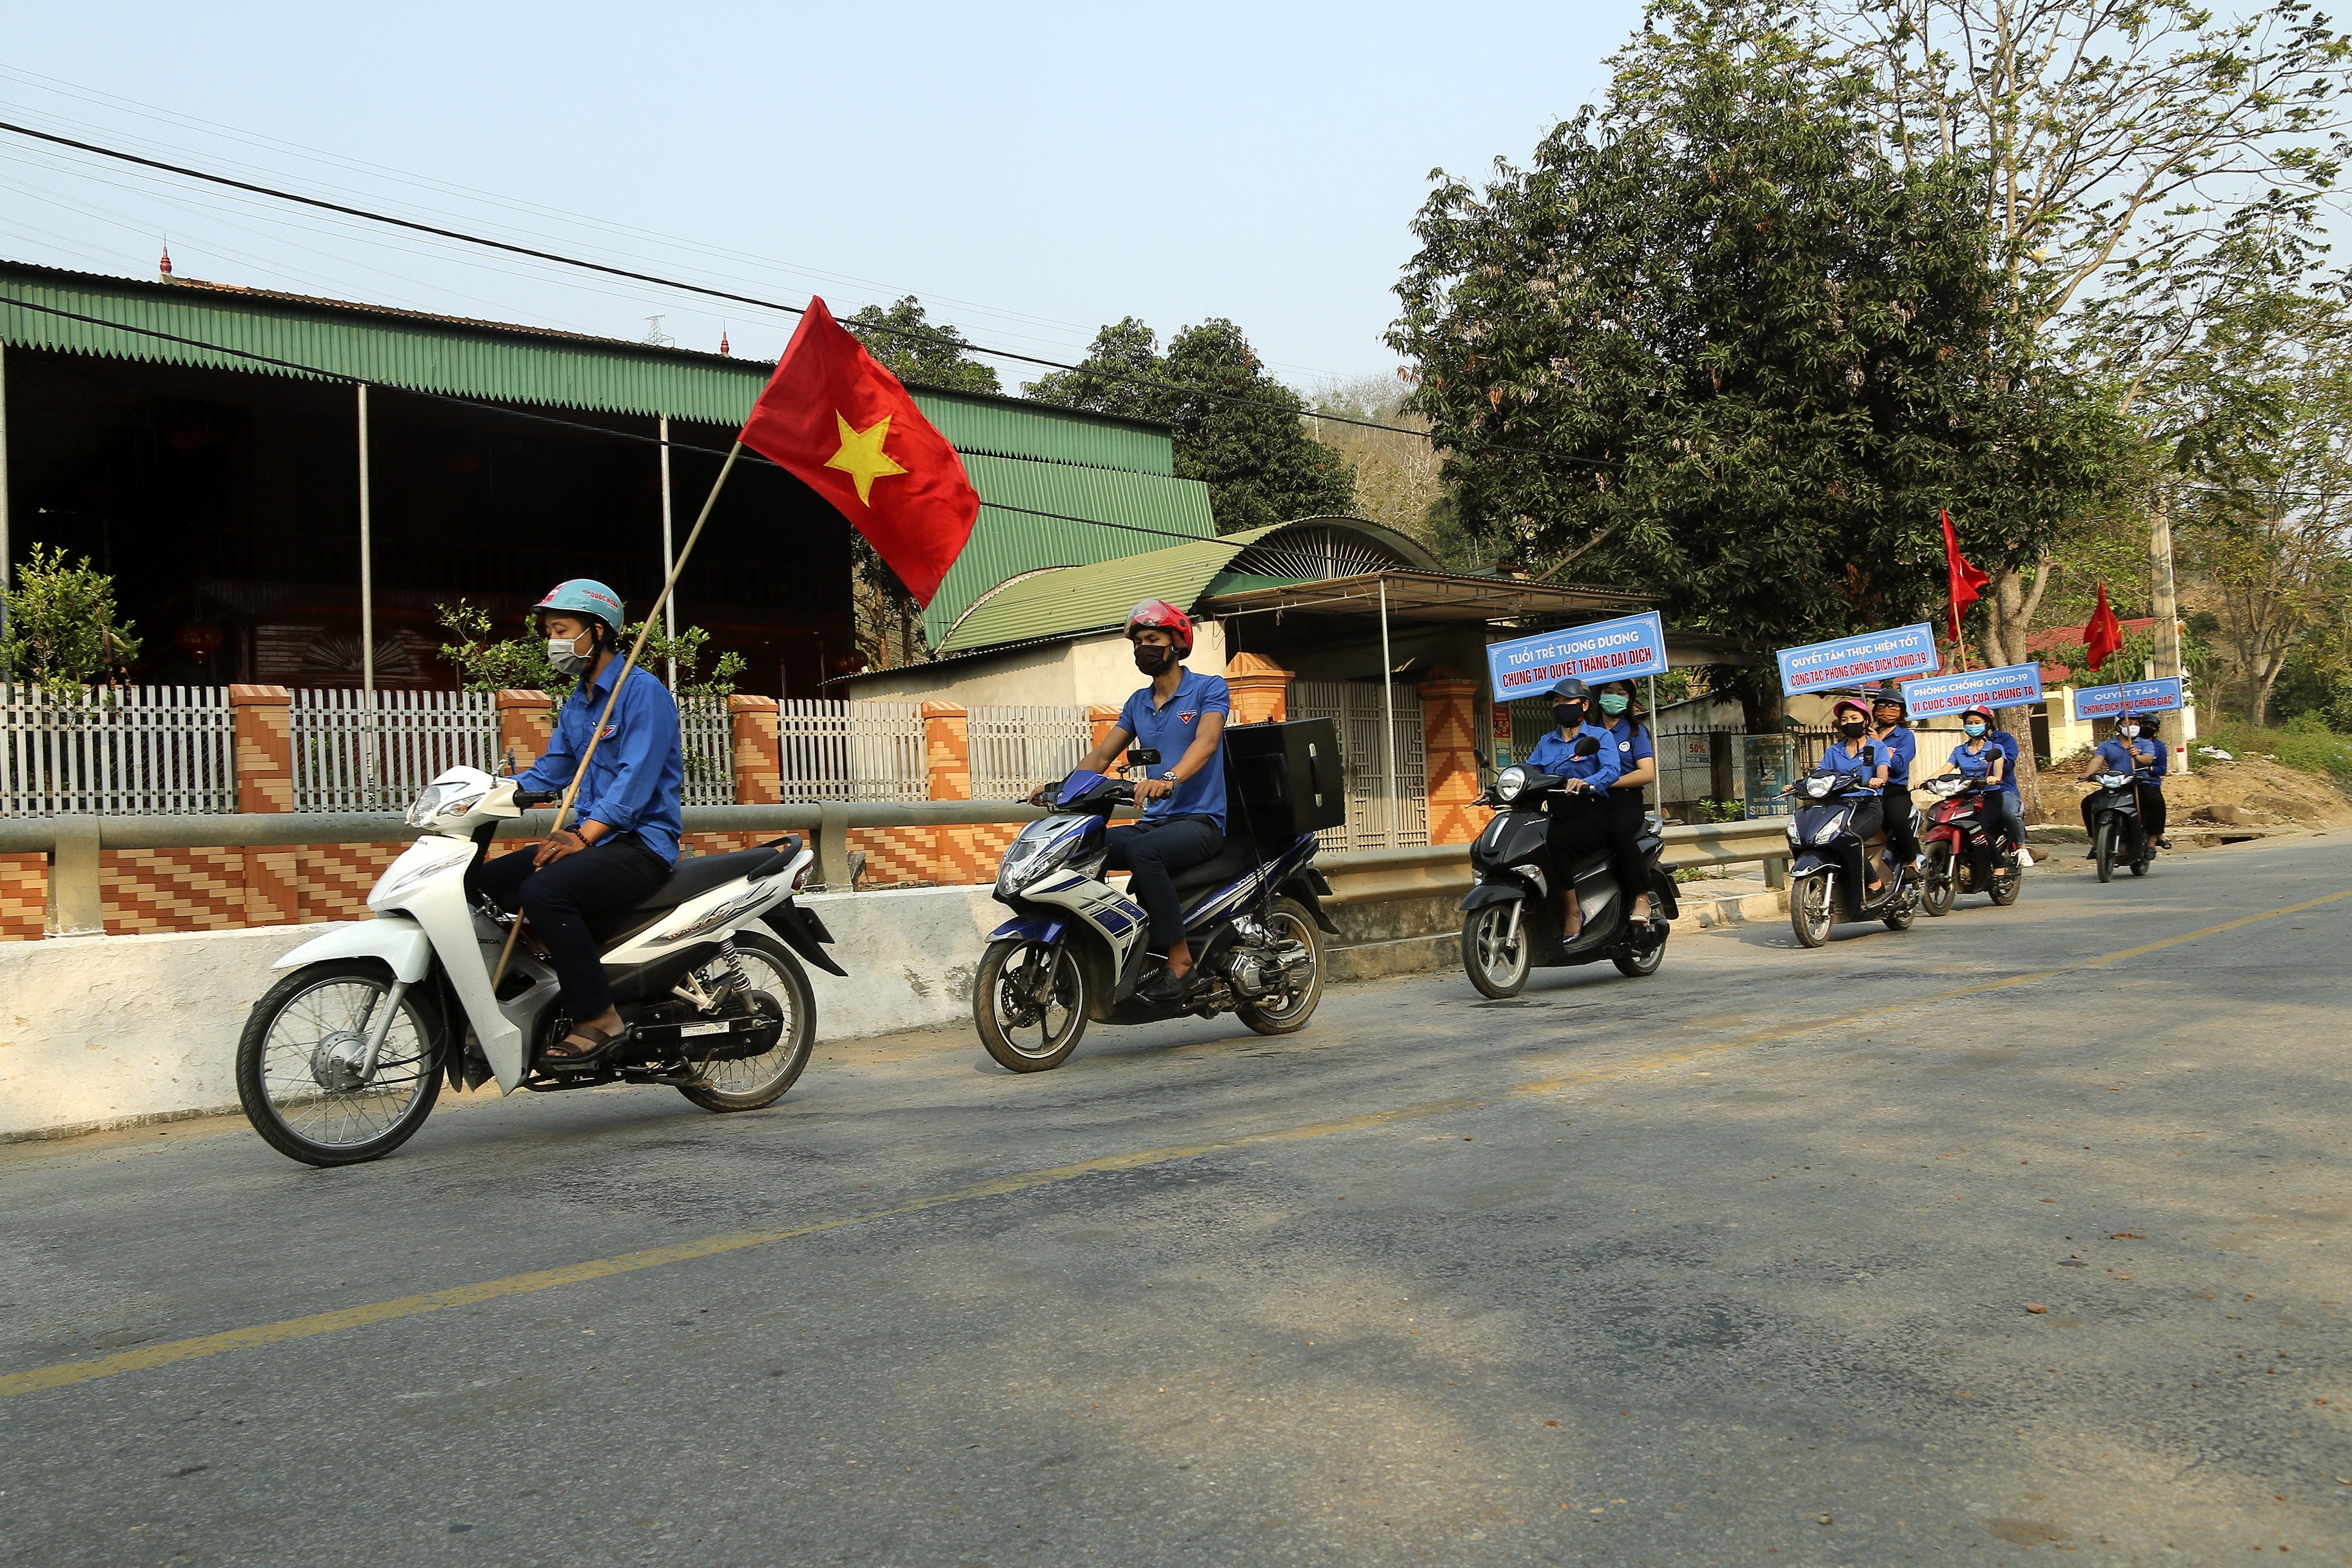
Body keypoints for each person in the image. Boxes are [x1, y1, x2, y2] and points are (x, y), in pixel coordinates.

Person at [472, 580, 684, 1068]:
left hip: (639, 844)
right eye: (548, 631)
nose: (553, 641)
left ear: (597, 630)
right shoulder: (580, 700)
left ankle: (599, 1018)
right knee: (481, 882)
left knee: (545, 892)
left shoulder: (641, 691)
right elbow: (555, 766)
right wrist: (490, 795)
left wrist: (583, 835)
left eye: (561, 629)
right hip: (593, 843)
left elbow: (636, 778)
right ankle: (554, 969)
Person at [1040, 600, 1231, 1004]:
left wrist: (1169, 778)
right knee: (1088, 845)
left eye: (1152, 639)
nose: (1143, 647)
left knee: (1144, 852)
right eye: (1138, 641)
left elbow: (1207, 741)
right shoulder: (1137, 703)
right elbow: (1101, 756)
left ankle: (1180, 961)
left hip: (1201, 822)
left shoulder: (1208, 688)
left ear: (1176, 643)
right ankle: (1109, 947)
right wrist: (1063, 787)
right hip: (1158, 821)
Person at [1521, 678, 1623, 939]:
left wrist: (1586, 782)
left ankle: (1572, 911)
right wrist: (1495, 788)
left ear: (1584, 705)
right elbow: (1530, 770)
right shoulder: (1546, 741)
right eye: (1556, 701)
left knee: (1555, 843)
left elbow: (1612, 770)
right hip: (1555, 811)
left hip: (1589, 810)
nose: (1560, 705)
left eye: (1566, 700)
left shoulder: (1599, 737)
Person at [1797, 697, 1894, 895]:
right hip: (1838, 806)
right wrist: (1798, 785)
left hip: (1867, 804)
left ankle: (1874, 883)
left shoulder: (1875, 748)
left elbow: (1883, 770)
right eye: (1844, 720)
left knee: (1847, 836)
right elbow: (1820, 774)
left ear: (1866, 721)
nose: (1849, 722)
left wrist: (1879, 779)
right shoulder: (1835, 750)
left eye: (1854, 717)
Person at [1595, 678, 1659, 925]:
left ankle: (1641, 896)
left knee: (1619, 832)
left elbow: (1647, 773)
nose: (1613, 697)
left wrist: (1607, 781)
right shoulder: (1588, 733)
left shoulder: (1635, 732)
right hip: (1590, 800)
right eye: (1608, 691)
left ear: (1629, 698)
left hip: (1625, 800)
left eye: (1620, 693)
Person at [1936, 707, 2013, 888]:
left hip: (1989, 798)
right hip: (1964, 798)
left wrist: (1995, 779)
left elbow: (1998, 770)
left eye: (1977, 723)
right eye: (1969, 723)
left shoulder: (1996, 748)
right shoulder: (1959, 750)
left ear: (1987, 724)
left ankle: (2000, 866)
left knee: (1978, 828)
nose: (1973, 726)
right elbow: (1944, 770)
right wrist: (1928, 780)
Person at [2079, 712, 2169, 852]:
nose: (2133, 726)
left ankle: (2152, 842)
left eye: (2136, 724)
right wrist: (2088, 773)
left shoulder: (2145, 743)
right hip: (2116, 783)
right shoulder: (2107, 745)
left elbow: (2149, 759)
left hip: (2138, 784)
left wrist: (2137, 756)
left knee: (2156, 803)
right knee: (2088, 803)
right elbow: (2097, 759)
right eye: (2129, 723)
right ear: (2119, 725)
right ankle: (2096, 841)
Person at [1869, 686, 1921, 870]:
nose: (1886, 710)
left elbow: (1899, 765)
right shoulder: (1867, 734)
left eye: (1893, 707)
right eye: (1882, 706)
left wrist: (1878, 744)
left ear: (1901, 712)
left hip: (1894, 791)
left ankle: (1912, 861)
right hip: (1868, 791)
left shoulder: (1905, 736)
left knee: (1896, 819)